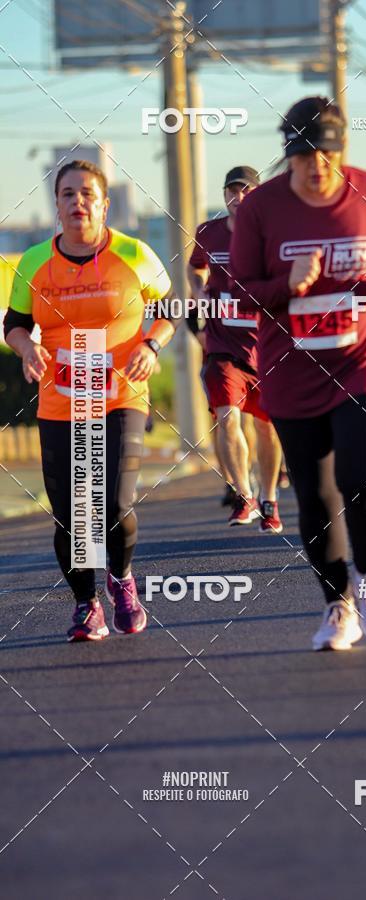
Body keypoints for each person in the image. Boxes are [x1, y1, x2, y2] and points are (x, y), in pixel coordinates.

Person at [230, 95, 366, 651]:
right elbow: (239, 290)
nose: (318, 168)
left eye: (328, 155)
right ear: (287, 156)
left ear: (344, 150)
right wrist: (286, 284)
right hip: (293, 366)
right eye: (305, 157)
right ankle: (337, 605)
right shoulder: (261, 209)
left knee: (362, 475)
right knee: (314, 493)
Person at [3, 160, 175, 641]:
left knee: (114, 503)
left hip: (122, 392)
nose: (77, 202)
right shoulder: (35, 262)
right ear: (56, 206)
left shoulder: (135, 254)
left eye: (86, 194)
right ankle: (86, 604)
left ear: (104, 204)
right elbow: (14, 324)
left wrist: (151, 344)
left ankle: (121, 579)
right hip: (61, 398)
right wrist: (26, 347)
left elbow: (168, 310)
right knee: (74, 513)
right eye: (67, 194)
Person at [187, 165, 283, 533]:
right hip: (222, 345)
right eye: (231, 191)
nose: (237, 197)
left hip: (265, 348)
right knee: (227, 417)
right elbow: (195, 268)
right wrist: (198, 292)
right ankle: (243, 494)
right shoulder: (208, 233)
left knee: (266, 429)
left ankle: (269, 496)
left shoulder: (272, 234)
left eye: (245, 191)